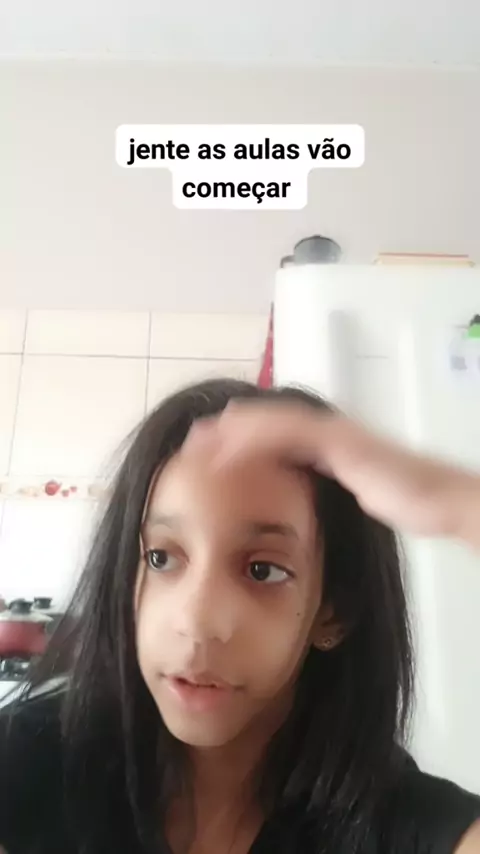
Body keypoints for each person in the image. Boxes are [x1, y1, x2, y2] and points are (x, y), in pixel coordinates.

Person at [0, 378, 479, 854]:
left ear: (332, 613)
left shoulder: (391, 820)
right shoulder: (31, 759)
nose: (197, 622)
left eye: (262, 570)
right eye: (161, 558)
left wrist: (454, 504)